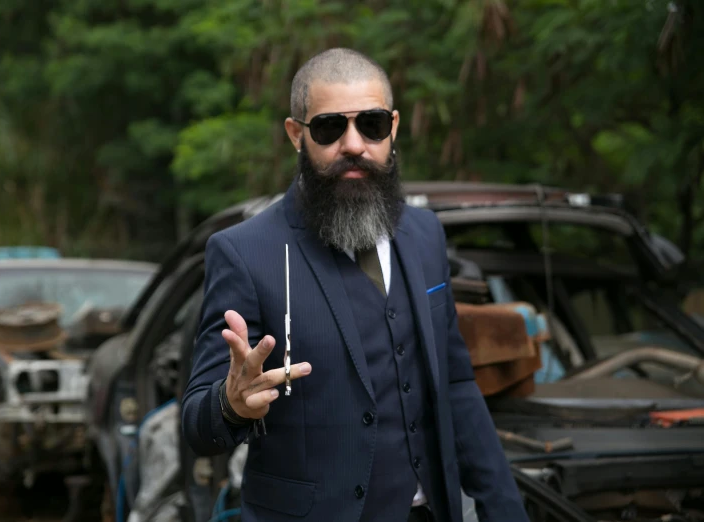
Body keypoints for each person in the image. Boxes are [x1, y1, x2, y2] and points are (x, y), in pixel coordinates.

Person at [181, 48, 529, 522]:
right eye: (329, 127)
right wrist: (231, 405)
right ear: (296, 135)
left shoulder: (425, 234)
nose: (354, 144)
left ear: (394, 128)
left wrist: (504, 510)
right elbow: (197, 427)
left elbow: (456, 385)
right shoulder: (244, 253)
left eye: (371, 124)